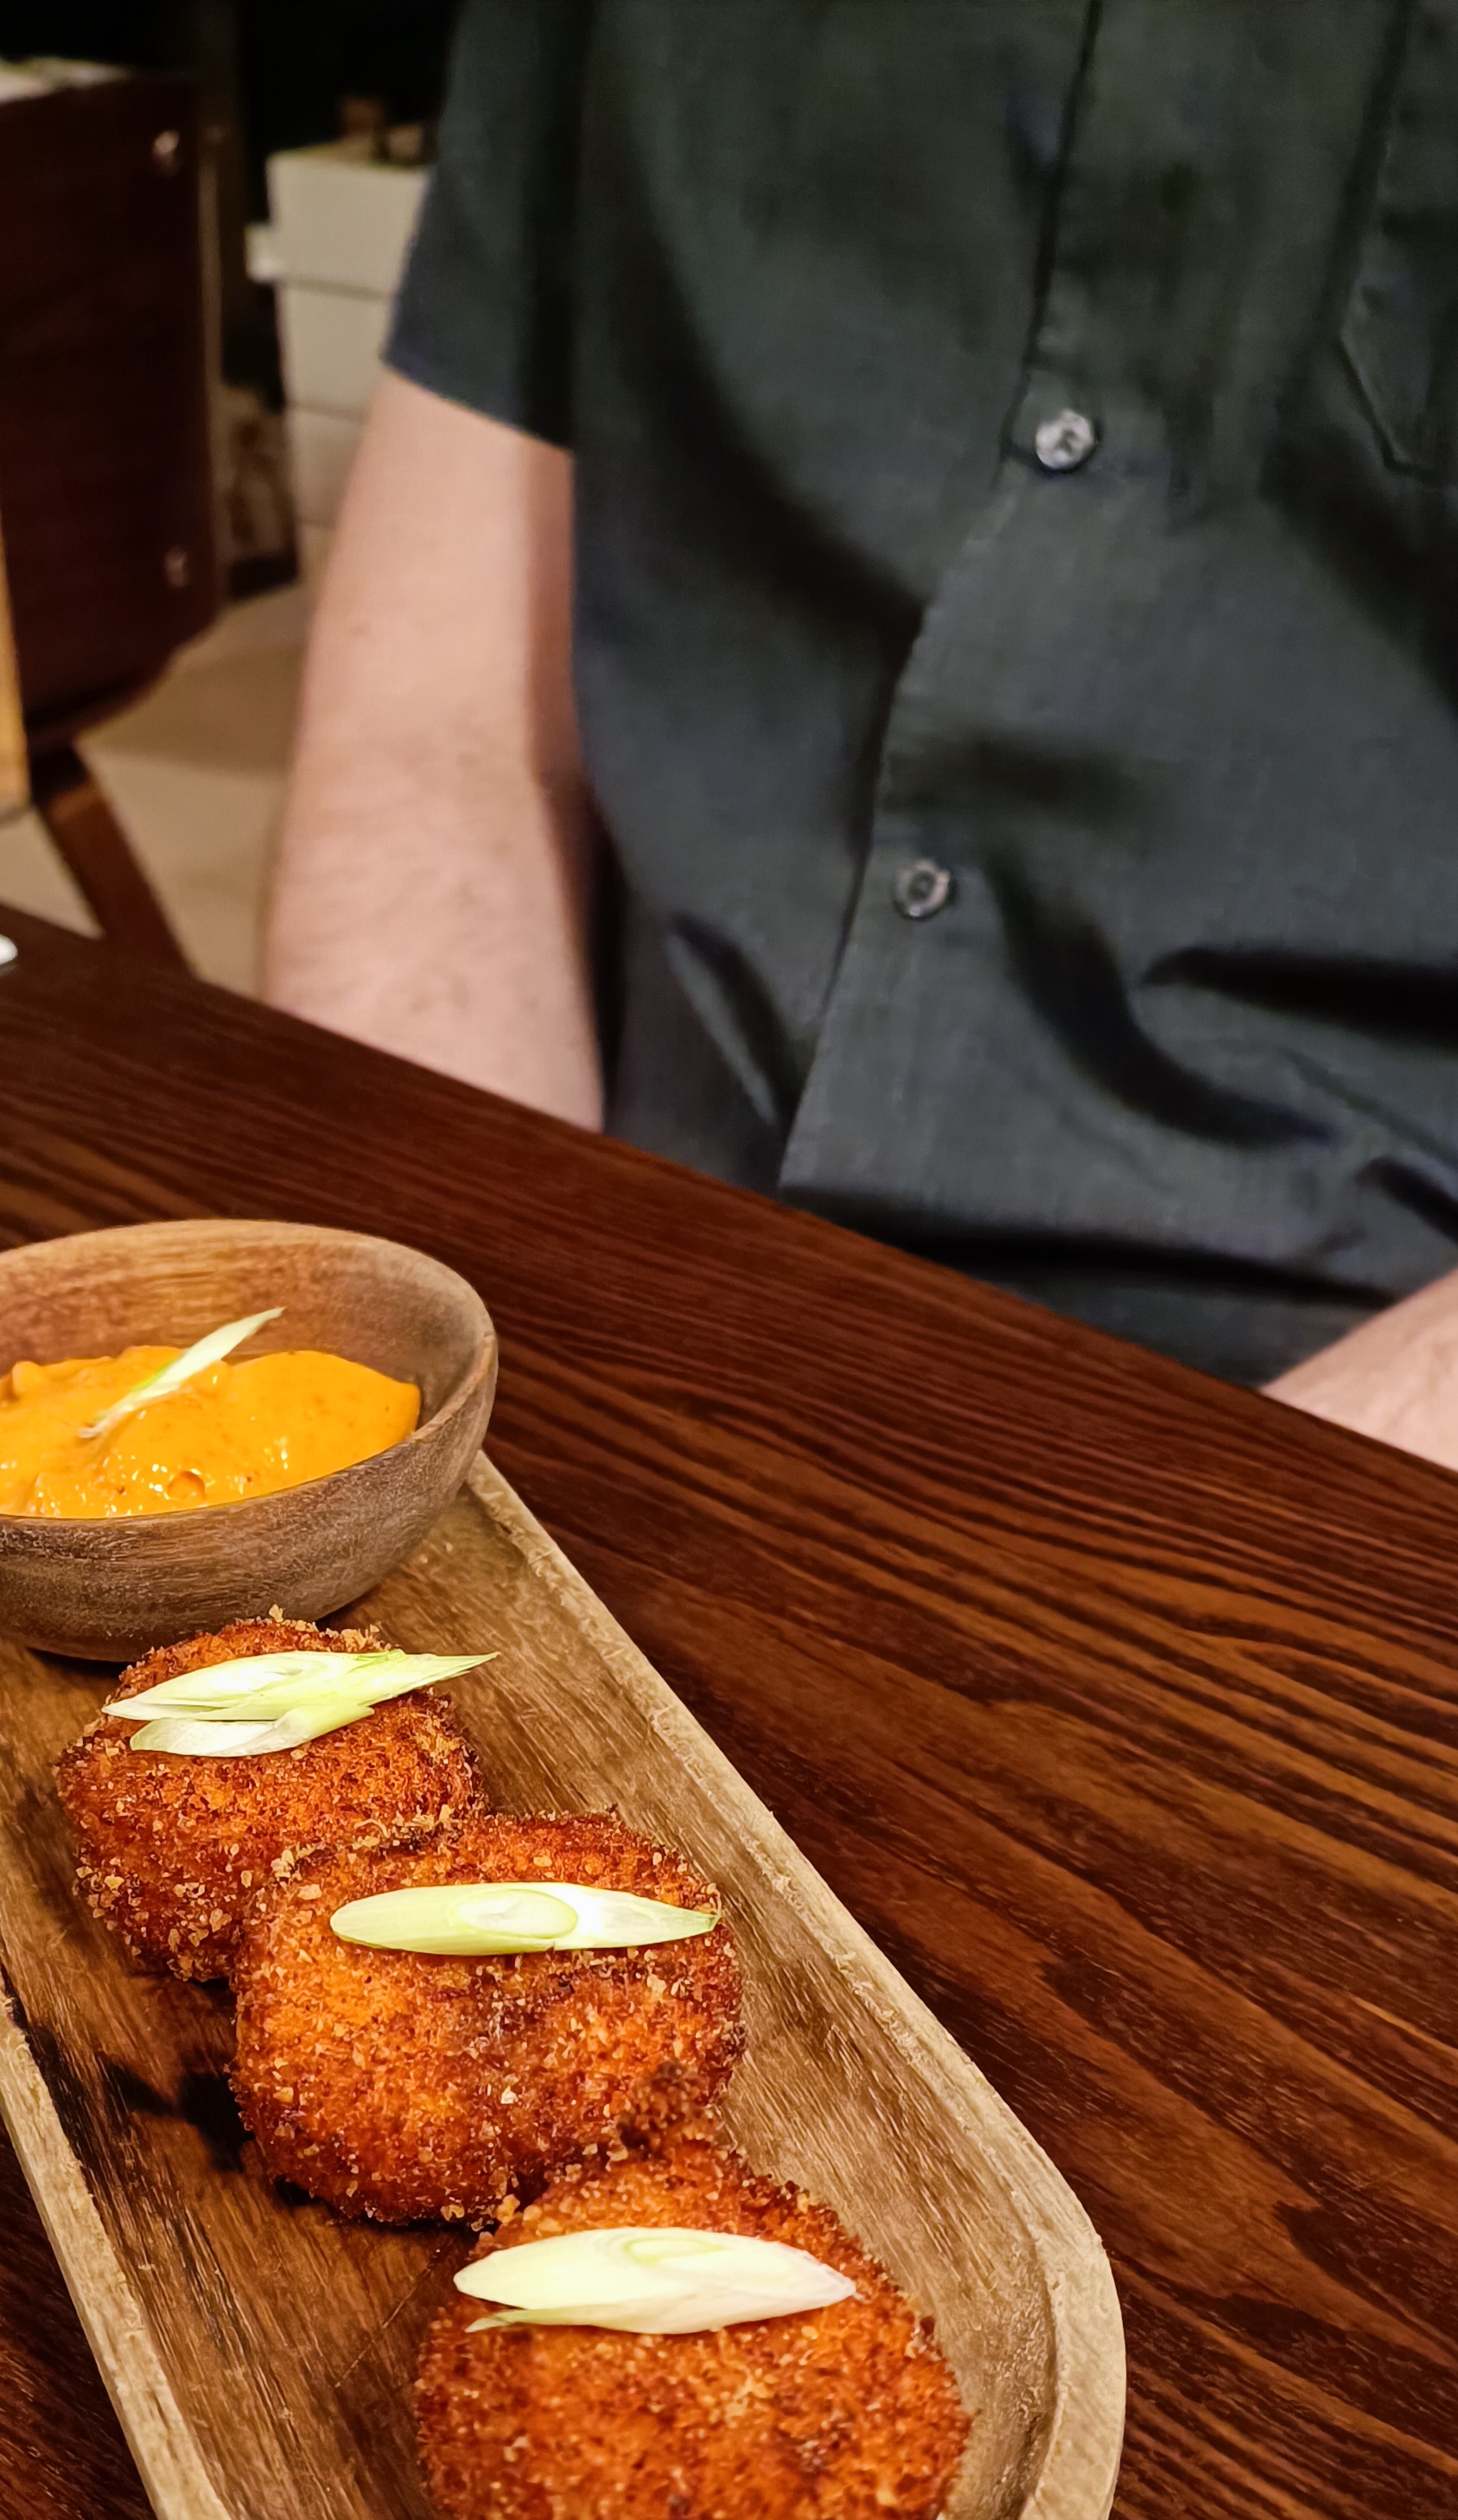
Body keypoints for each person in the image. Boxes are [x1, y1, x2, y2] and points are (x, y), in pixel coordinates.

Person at [264, 0, 1458, 1473]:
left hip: (1348, 1418)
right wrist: (450, 1395)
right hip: (610, 1255)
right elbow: (442, 719)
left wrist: (1230, 1549)